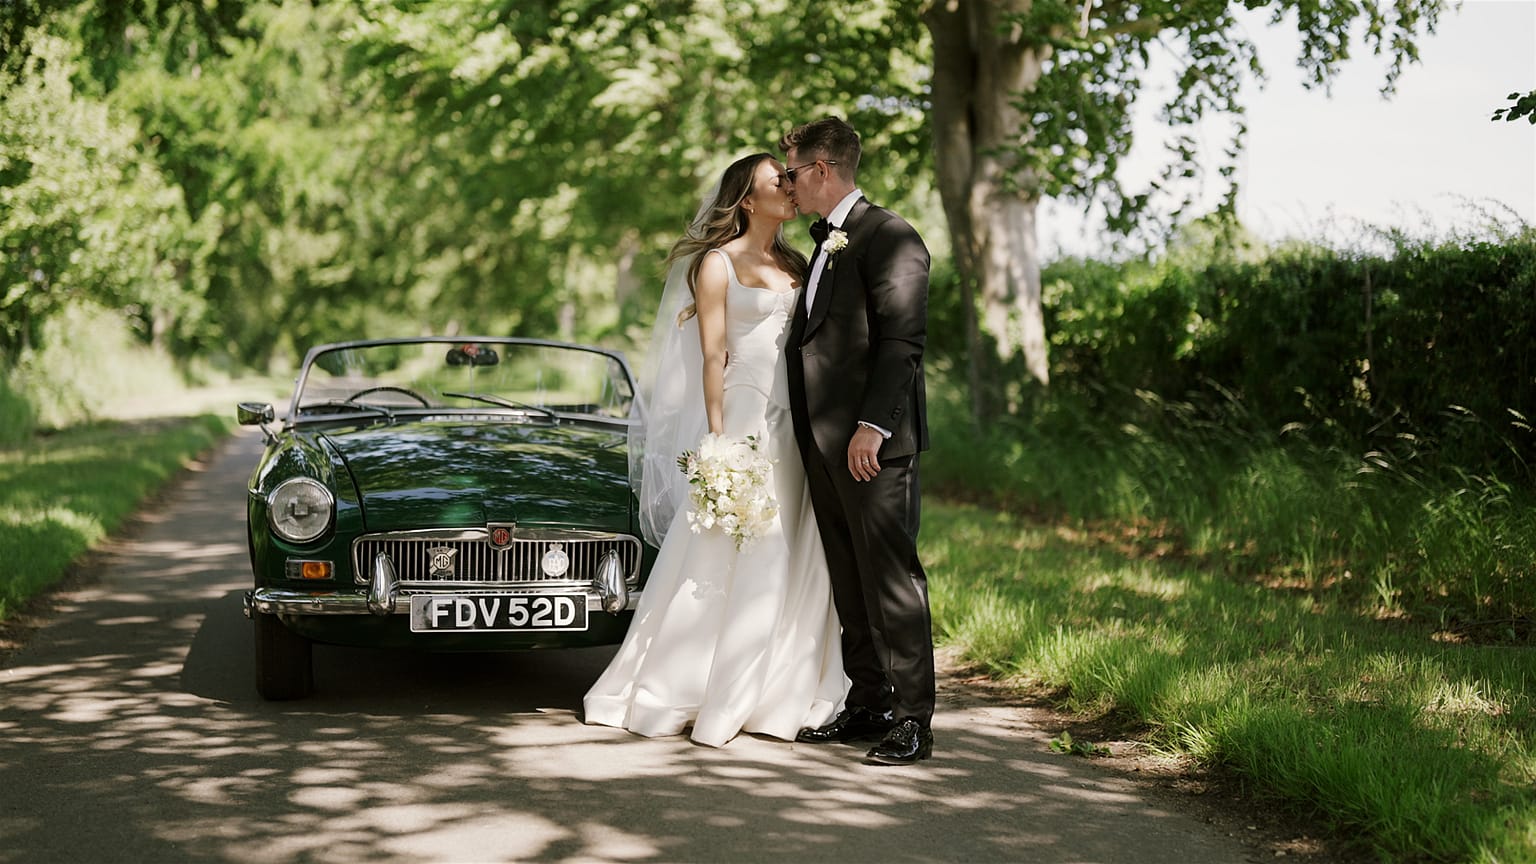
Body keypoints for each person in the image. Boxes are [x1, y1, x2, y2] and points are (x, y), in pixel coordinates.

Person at [583, 153, 847, 748]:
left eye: (788, 176)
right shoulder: (717, 264)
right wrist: (719, 440)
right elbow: (712, 356)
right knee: (732, 550)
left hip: (796, 425)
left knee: (794, 547)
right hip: (746, 420)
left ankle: (778, 684)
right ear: (748, 201)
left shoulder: (799, 262)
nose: (788, 183)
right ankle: (693, 682)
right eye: (775, 180)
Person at [779, 117, 936, 765]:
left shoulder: (890, 235)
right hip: (823, 443)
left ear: (821, 168)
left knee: (891, 578)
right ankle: (868, 699)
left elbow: (902, 341)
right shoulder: (829, 242)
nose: (786, 185)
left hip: (872, 444)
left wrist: (873, 425)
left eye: (790, 172)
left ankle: (914, 718)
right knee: (849, 578)